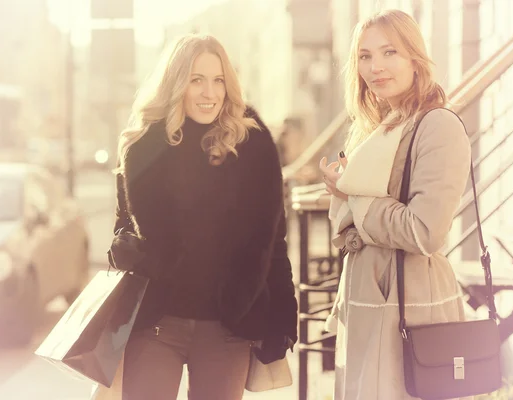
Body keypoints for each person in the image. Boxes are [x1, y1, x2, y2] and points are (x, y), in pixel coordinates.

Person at [110, 33, 298, 400]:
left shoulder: (252, 143)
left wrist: (282, 312)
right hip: (156, 322)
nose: (209, 92)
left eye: (218, 80)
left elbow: (272, 238)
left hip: (226, 326)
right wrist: (124, 249)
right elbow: (122, 225)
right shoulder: (144, 145)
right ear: (176, 82)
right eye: (196, 80)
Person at [319, 9, 472, 400]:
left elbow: (425, 231)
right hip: (368, 295)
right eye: (365, 56)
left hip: (413, 300)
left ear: (415, 60)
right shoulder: (376, 127)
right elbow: (353, 225)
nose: (376, 67)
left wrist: (353, 196)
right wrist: (344, 196)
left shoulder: (437, 125)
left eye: (390, 52)